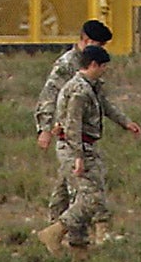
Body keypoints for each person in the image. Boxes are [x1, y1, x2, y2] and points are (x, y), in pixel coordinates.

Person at [35, 44, 141, 256]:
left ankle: (76, 246)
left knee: (65, 195)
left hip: (81, 146)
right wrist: (78, 158)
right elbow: (73, 126)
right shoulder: (79, 91)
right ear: (93, 65)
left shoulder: (90, 86)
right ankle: (56, 231)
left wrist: (125, 123)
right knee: (91, 198)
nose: (105, 71)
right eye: (103, 67)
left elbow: (106, 106)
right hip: (76, 147)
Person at [35, 19, 117, 234]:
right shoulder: (66, 65)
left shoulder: (91, 64)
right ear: (87, 40)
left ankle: (56, 228)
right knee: (80, 188)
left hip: (80, 133)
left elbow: (101, 99)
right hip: (69, 135)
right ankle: (70, 235)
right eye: (99, 44)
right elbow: (49, 95)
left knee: (65, 184)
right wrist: (45, 128)